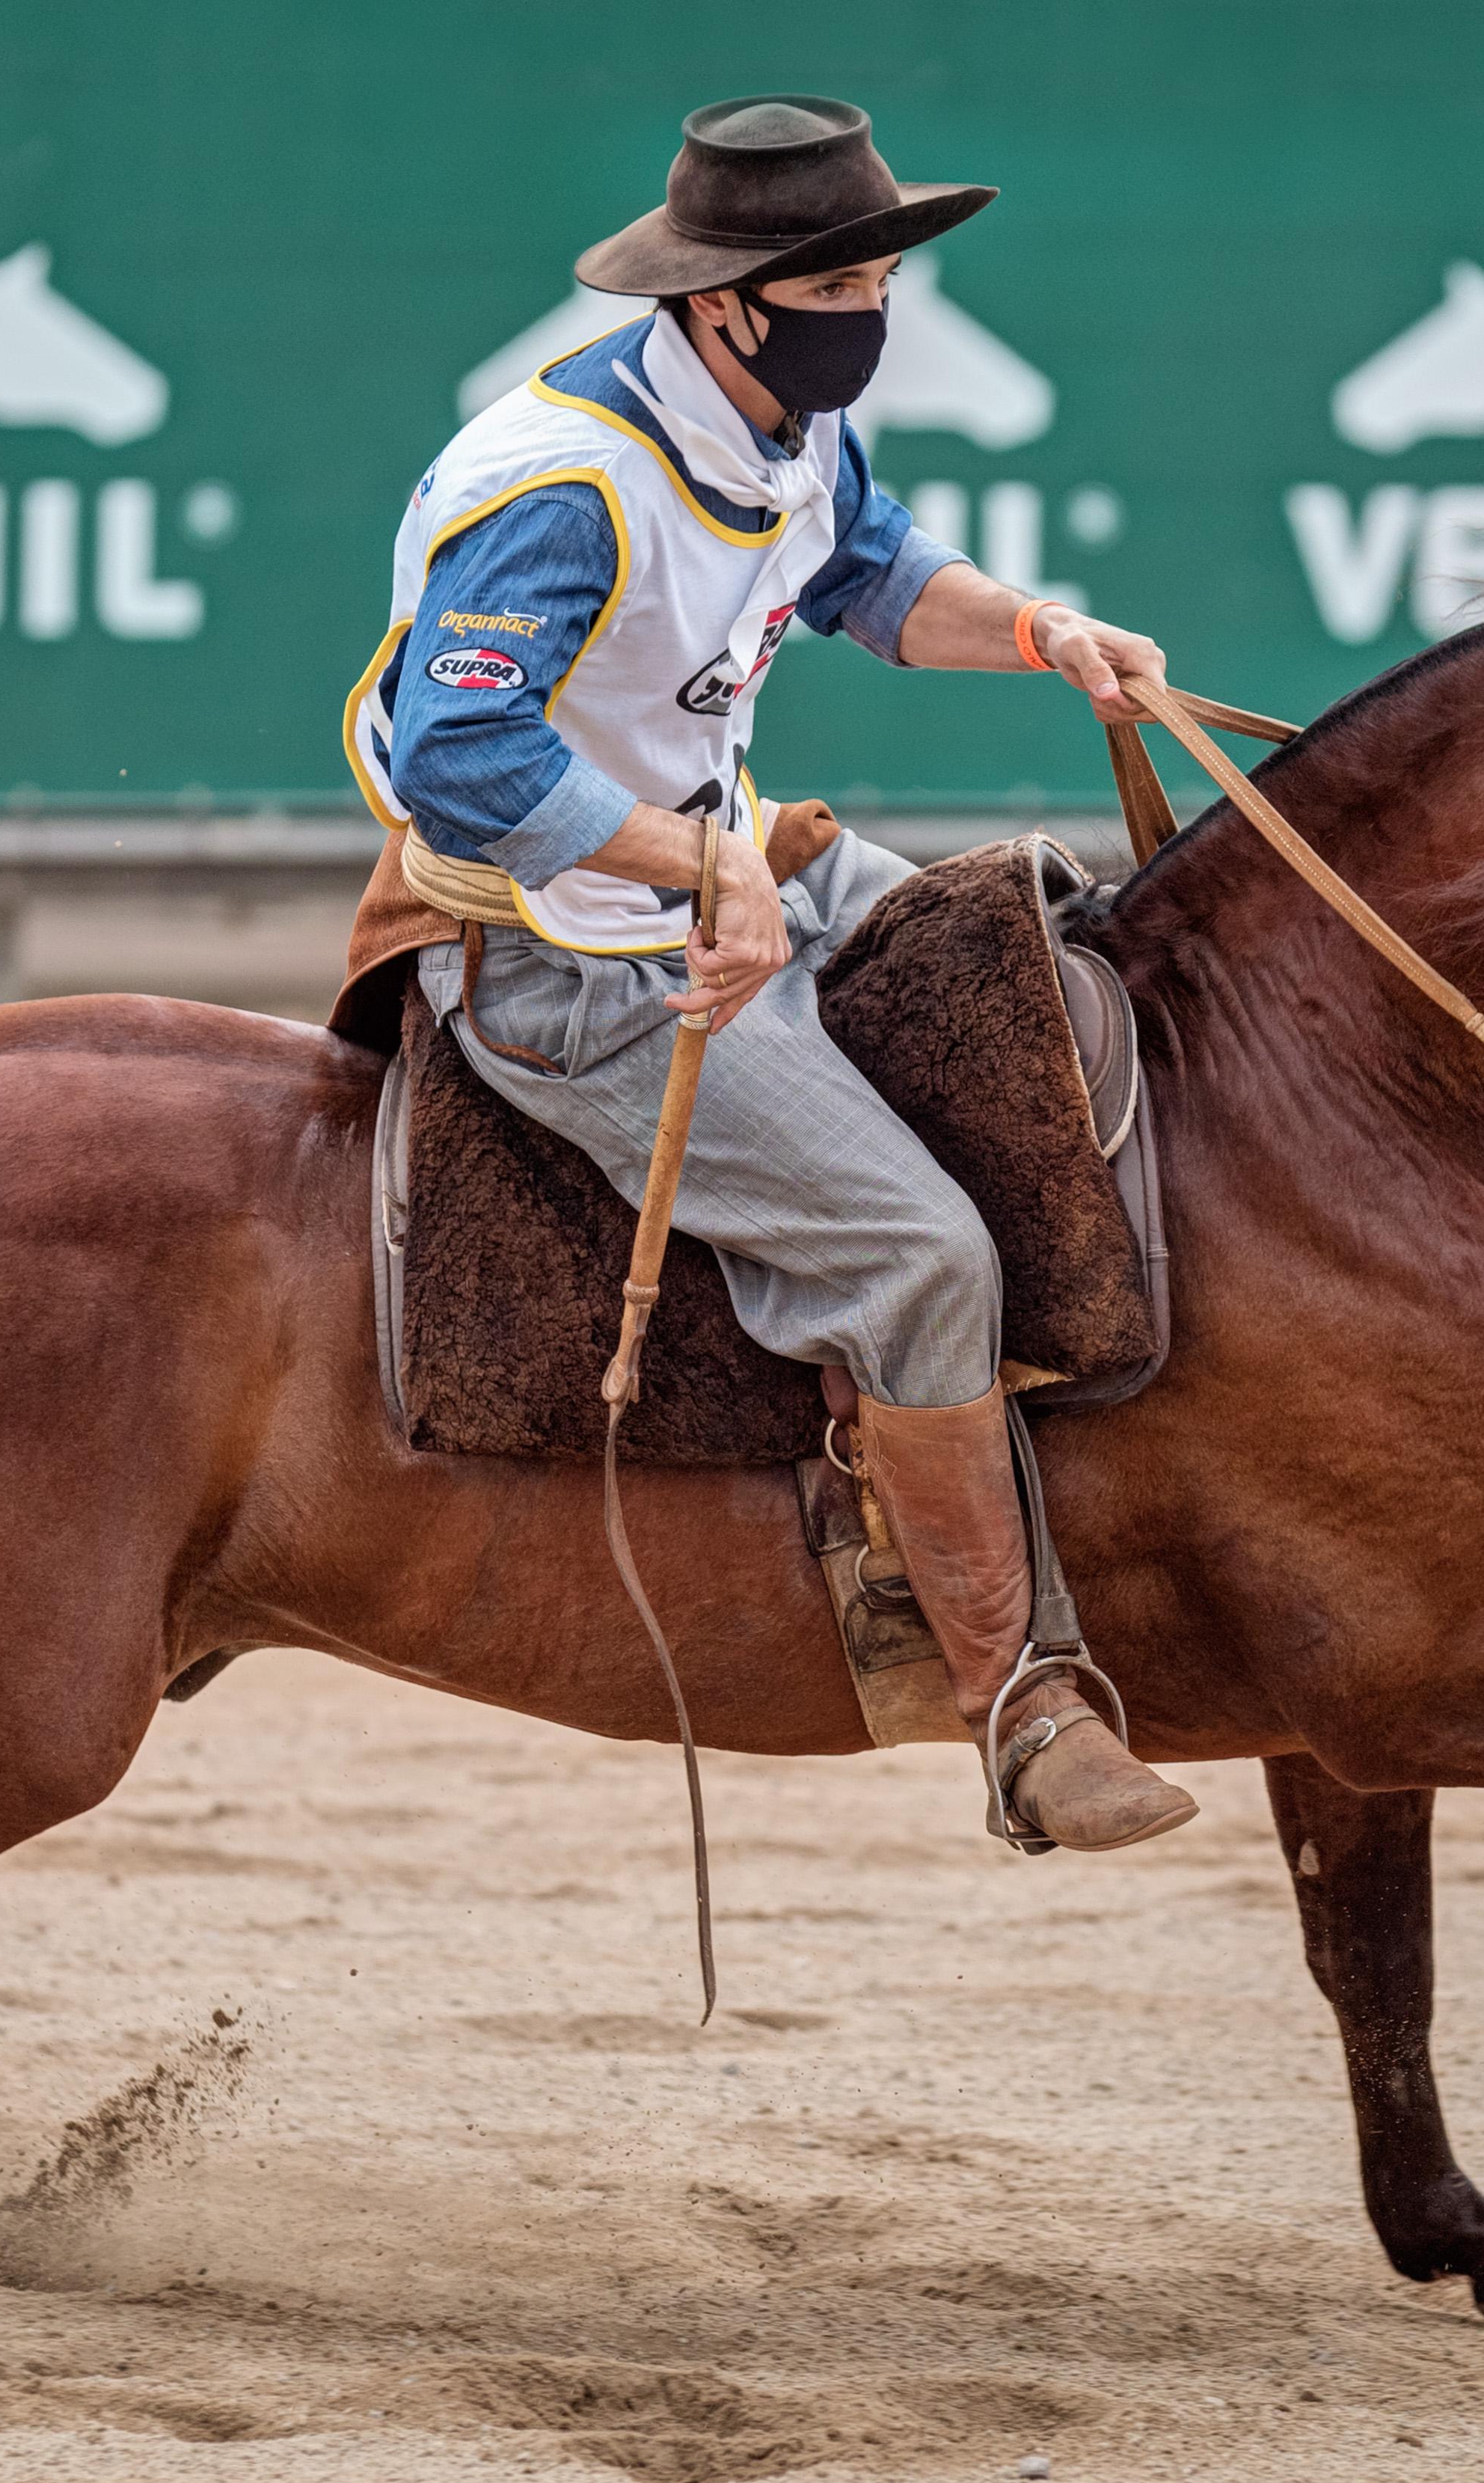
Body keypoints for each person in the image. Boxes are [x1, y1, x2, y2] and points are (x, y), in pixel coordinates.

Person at [328, 95, 1198, 1852]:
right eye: (844, 280)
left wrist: (1046, 635)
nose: (871, 309)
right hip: (559, 950)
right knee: (915, 1249)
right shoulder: (561, 486)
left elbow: (873, 574)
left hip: (739, 864)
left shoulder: (781, 424)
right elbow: (460, 760)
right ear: (721, 299)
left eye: (879, 271)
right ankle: (1015, 1698)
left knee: (1061, 960)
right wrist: (697, 860)